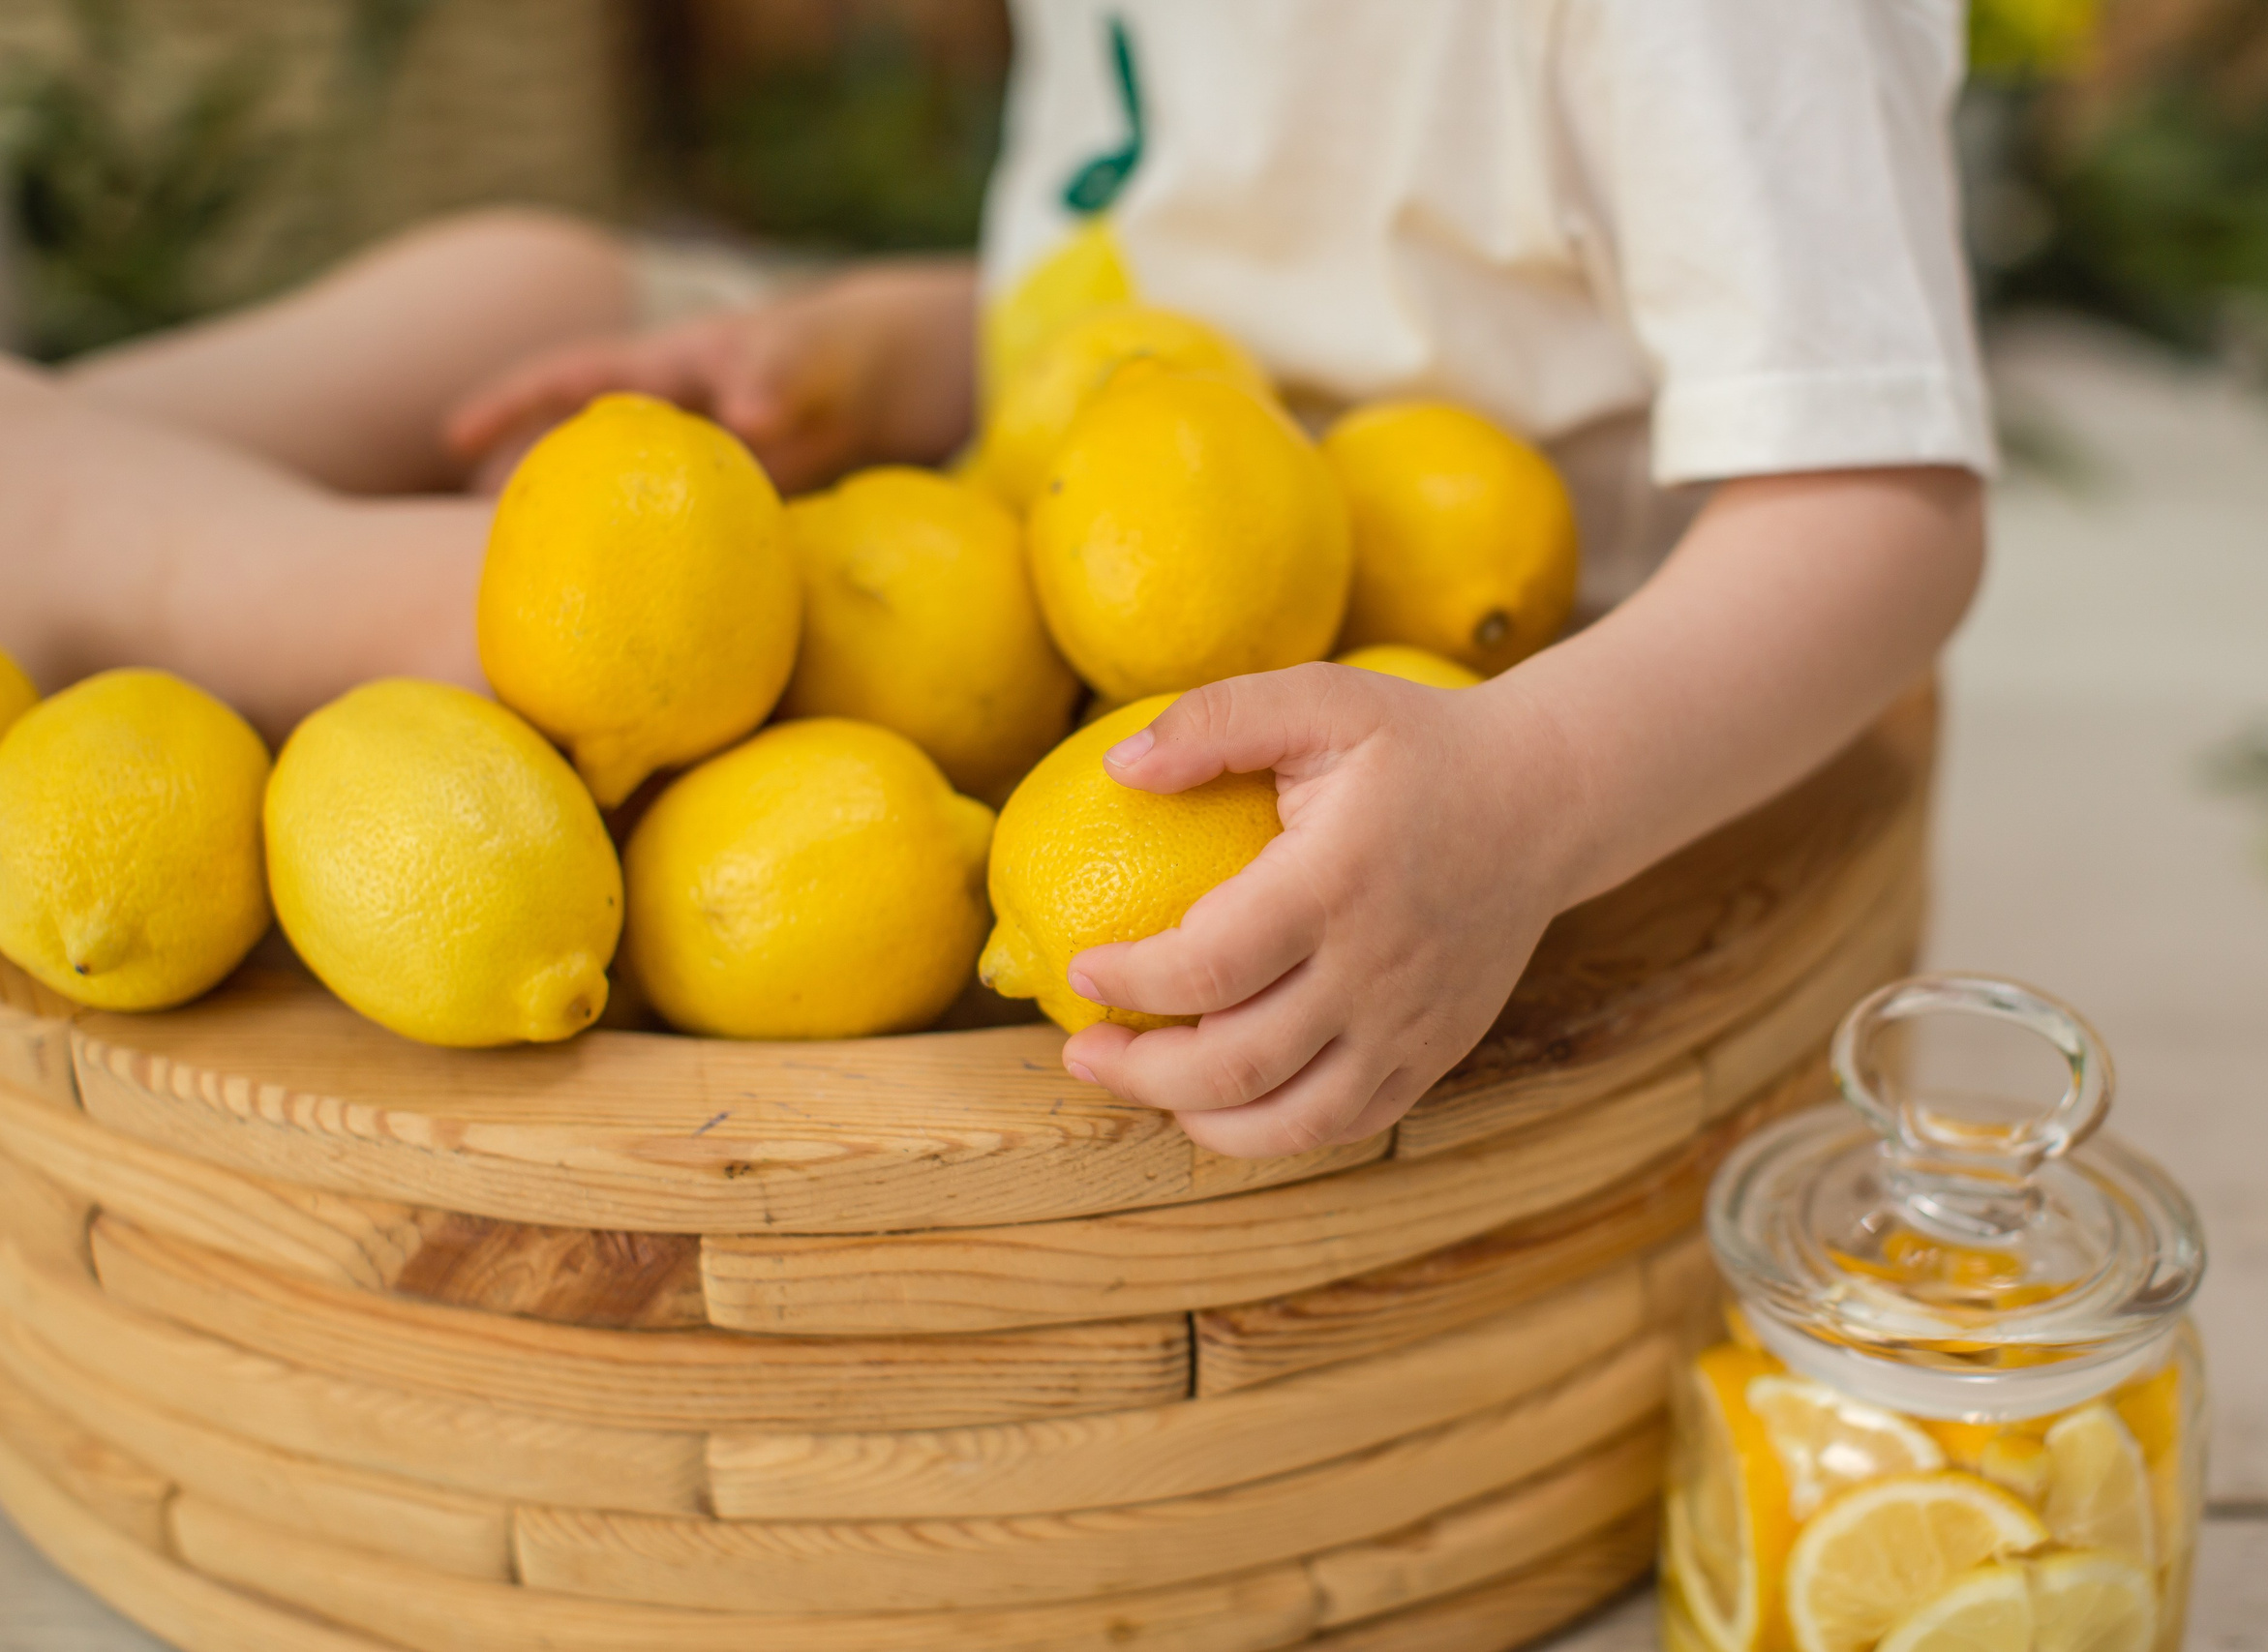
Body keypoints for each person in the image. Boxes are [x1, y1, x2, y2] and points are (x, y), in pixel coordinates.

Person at [0, 0, 1988, 1158]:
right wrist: (868, 352)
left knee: (545, 644)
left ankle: (112, 555)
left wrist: (1522, 801)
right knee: (543, 285)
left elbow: (1886, 504)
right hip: (1073, 538)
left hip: (1301, 712)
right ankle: (74, 461)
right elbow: (1129, 312)